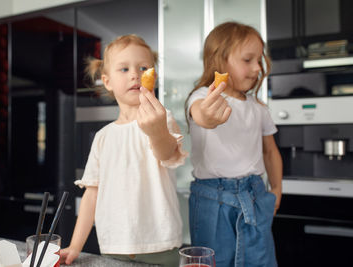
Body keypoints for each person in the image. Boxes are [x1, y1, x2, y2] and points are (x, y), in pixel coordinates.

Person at [60, 34, 188, 267]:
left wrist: (157, 131)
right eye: (124, 69)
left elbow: (168, 155)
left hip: (160, 243)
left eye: (143, 67)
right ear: (107, 81)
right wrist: (75, 245)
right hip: (114, 245)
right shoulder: (103, 137)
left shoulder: (163, 119)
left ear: (153, 77)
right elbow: (91, 195)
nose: (135, 74)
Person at [184, 21, 282, 267]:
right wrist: (208, 115)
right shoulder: (201, 97)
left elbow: (270, 152)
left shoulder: (258, 108)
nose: (257, 68)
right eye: (247, 60)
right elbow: (202, 115)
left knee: (260, 261)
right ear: (219, 60)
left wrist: (278, 188)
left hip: (256, 196)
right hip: (211, 200)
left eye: (259, 61)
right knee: (213, 261)